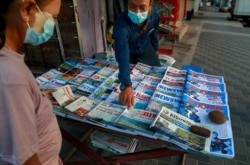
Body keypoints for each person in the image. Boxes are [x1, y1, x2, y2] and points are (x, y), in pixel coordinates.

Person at [0, 0, 62, 164]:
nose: (51, 25)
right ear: (26, 9)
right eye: (51, 17)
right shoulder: (10, 78)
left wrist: (38, 99)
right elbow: (25, 159)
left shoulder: (9, 63)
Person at [113, 0, 161, 109]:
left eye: (142, 7)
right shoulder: (121, 24)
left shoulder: (155, 15)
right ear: (127, 4)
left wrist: (156, 48)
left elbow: (153, 31)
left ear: (150, 5)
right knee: (125, 76)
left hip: (145, 47)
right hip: (128, 51)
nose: (137, 12)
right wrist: (126, 85)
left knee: (157, 76)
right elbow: (122, 50)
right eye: (132, 6)